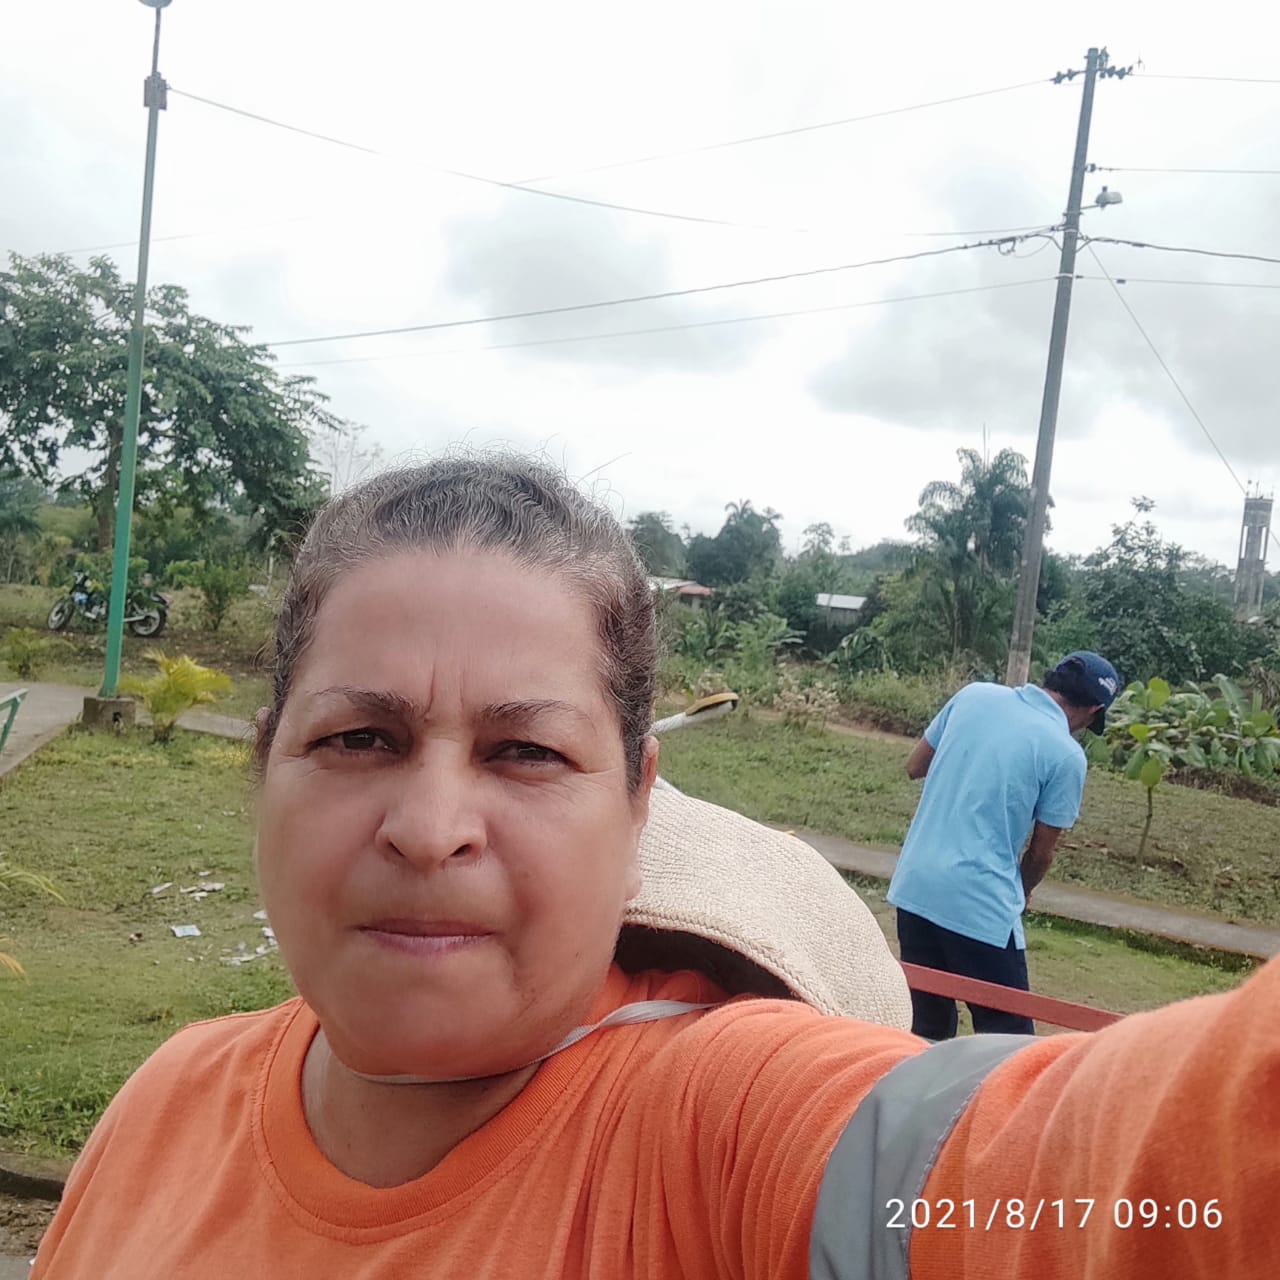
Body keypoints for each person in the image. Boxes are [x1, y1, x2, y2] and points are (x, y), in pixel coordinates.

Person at [31, 456, 1278, 1278]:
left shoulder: (721, 1129)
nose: (429, 824)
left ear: (636, 803)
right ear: (266, 762)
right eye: (359, 737)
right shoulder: (165, 1099)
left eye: (525, 751)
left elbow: (1125, 1177)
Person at [888, 651, 1121, 1039]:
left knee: (927, 1027)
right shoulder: (1066, 755)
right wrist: (1023, 891)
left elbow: (915, 766)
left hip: (916, 886)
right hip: (981, 905)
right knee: (1009, 1038)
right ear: (1093, 710)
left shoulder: (974, 695)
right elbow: (1041, 851)